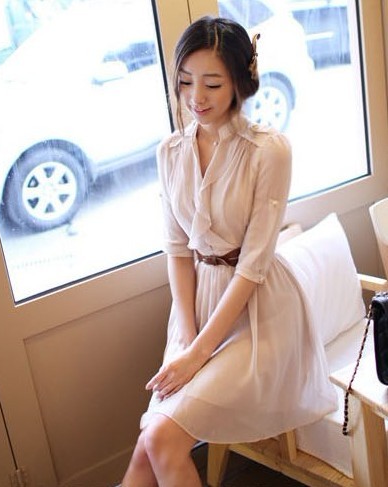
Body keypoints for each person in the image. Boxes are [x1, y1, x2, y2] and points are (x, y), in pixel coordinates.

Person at [121, 15, 337, 487]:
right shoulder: (169, 152)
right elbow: (178, 251)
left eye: (212, 84)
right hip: (196, 309)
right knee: (149, 445)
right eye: (185, 81)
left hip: (259, 316)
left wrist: (198, 354)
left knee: (159, 439)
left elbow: (253, 267)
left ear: (240, 82)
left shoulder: (269, 151)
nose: (196, 97)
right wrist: (185, 338)